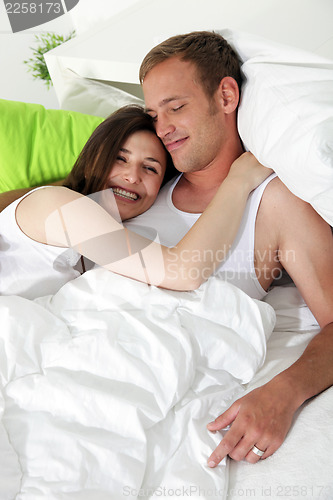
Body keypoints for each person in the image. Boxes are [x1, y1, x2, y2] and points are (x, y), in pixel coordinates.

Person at [123, 31, 333, 465]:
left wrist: (284, 391)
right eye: (153, 114)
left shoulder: (276, 203)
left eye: (176, 107)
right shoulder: (142, 181)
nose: (161, 129)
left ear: (225, 95)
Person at [0, 104, 271, 299]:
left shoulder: (108, 232)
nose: (132, 177)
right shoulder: (57, 204)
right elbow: (182, 271)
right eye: (121, 158)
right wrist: (238, 181)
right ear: (93, 158)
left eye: (150, 168)